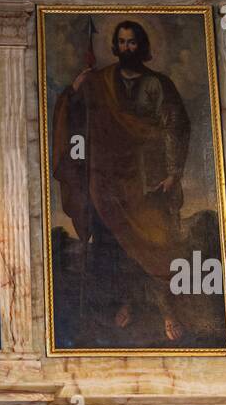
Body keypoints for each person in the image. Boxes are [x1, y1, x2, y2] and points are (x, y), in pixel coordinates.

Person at [52, 20, 190, 345]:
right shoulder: (100, 81)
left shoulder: (158, 84)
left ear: (142, 46)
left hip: (147, 177)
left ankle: (167, 311)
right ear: (115, 46)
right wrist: (74, 90)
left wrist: (172, 172)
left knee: (155, 243)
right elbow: (75, 114)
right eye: (122, 42)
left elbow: (176, 127)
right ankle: (123, 303)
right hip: (108, 178)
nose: (127, 48)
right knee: (113, 243)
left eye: (132, 42)